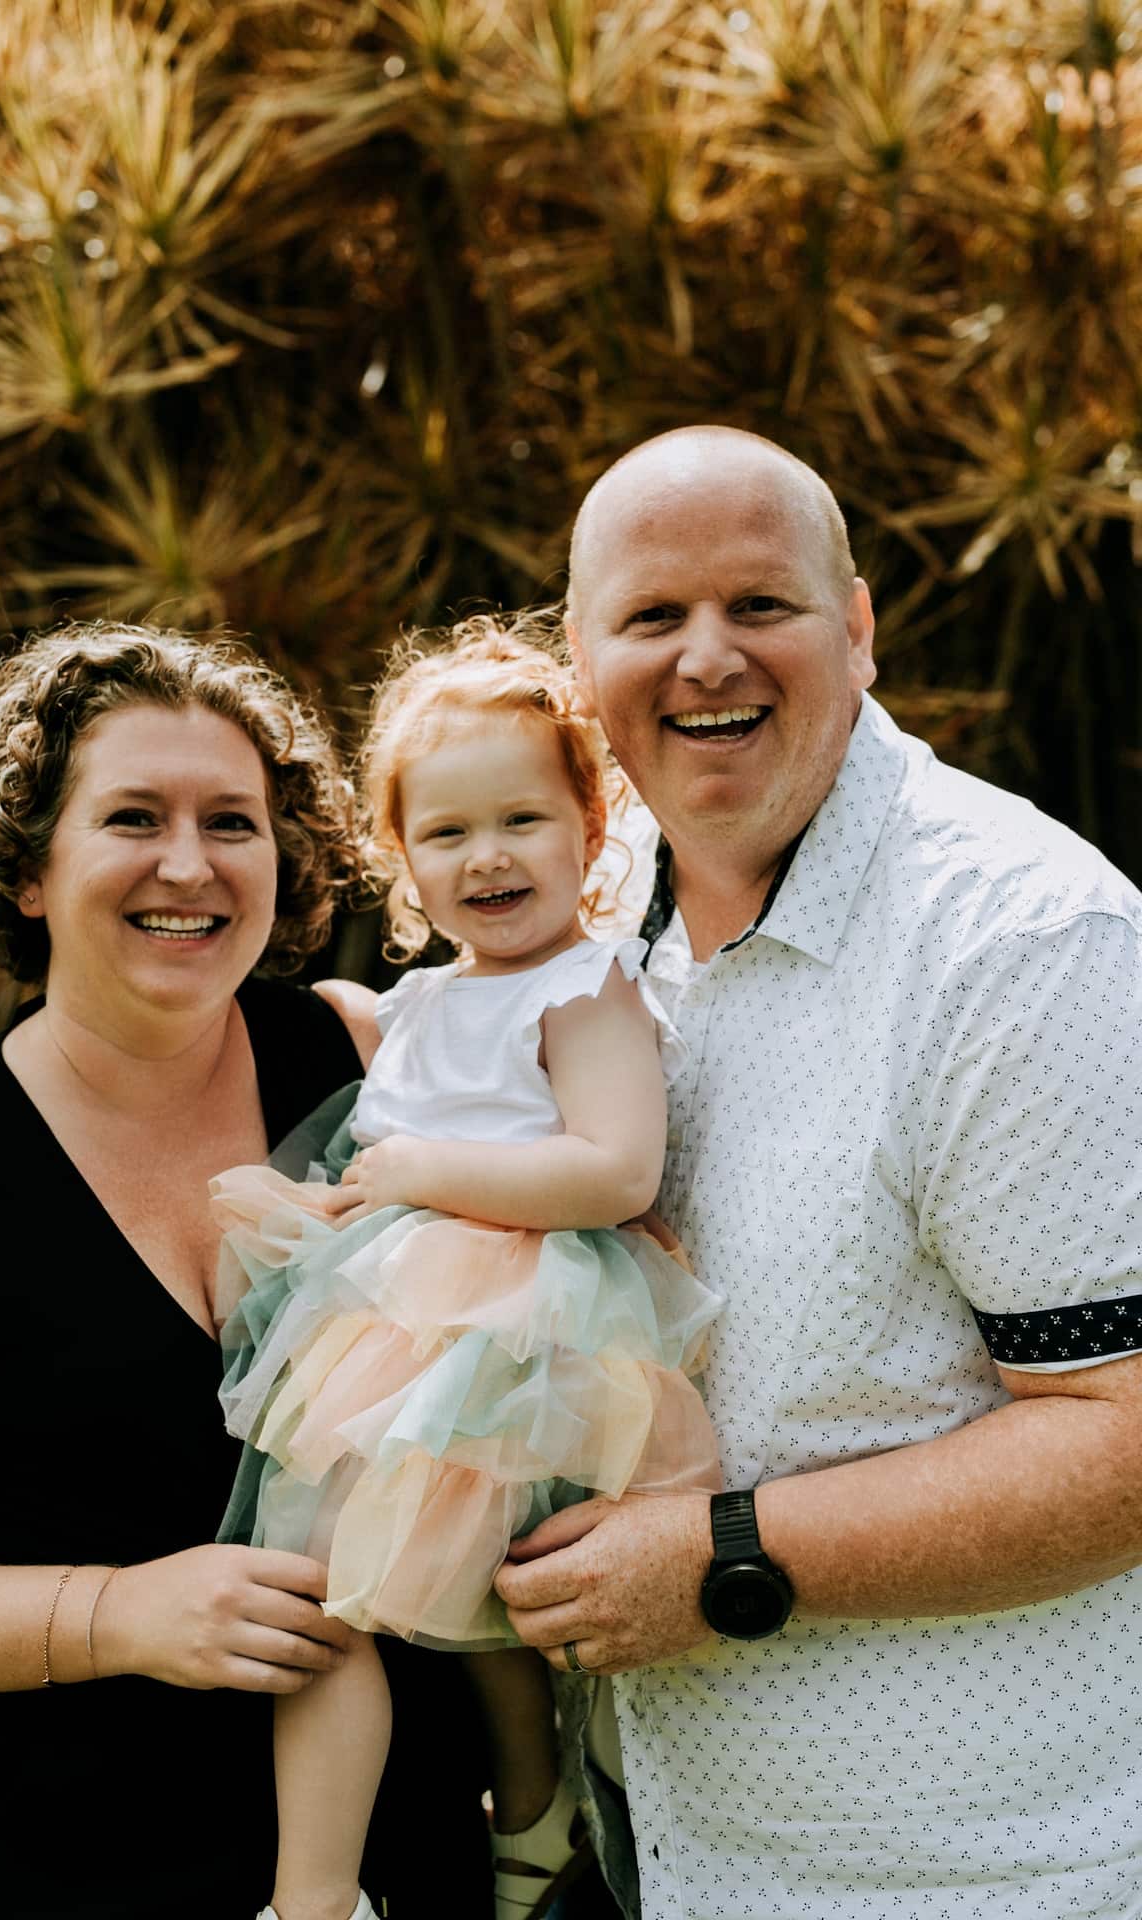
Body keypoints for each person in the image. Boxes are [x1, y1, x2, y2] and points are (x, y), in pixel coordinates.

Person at [495, 425, 1142, 1918]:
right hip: (651, 1851)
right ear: (581, 657)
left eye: (760, 606)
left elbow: (1120, 1429)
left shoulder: (1021, 944)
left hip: (980, 1882)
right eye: (652, 618)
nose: (706, 657)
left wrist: (729, 1557)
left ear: (856, 629)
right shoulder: (592, 913)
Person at [0, 622, 489, 1920]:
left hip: (407, 1865)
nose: (190, 866)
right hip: (64, 1880)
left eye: (234, 822)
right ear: (27, 867)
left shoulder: (372, 1058)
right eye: (134, 817)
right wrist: (115, 1616)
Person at [208, 623, 723, 1920]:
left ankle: (508, 1819)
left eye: (519, 820)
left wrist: (421, 1172)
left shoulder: (584, 986)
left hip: (522, 1319)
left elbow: (614, 1171)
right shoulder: (424, 1000)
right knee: (384, 1584)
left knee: (450, 1583)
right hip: (403, 1317)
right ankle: (415, 1853)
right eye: (446, 835)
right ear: (401, 860)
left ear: (588, 820)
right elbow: (399, 1111)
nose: (487, 856)